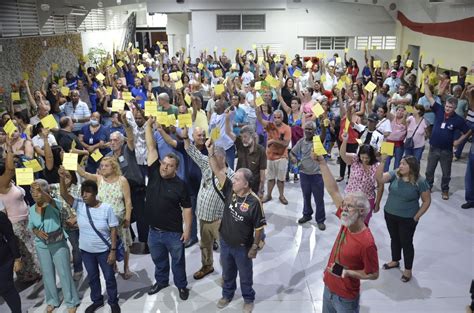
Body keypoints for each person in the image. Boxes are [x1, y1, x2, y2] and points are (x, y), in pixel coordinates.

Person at [313, 154, 379, 313]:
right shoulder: (347, 224)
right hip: (328, 288)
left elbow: (374, 274)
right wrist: (322, 162)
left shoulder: (366, 243)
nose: (344, 209)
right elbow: (333, 190)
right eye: (344, 205)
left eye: (349, 206)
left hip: (346, 298)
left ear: (361, 211)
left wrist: (347, 272)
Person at [207, 138, 266, 313]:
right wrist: (210, 152)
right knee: (227, 272)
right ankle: (227, 294)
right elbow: (216, 170)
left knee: (246, 276)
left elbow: (259, 228)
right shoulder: (230, 190)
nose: (233, 181)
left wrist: (255, 246)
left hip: (243, 247)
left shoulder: (254, 202)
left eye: (238, 179)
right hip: (225, 242)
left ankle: (248, 298)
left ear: (246, 184)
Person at [59, 171, 121, 313]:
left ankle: (113, 301)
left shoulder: (106, 209)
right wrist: (61, 179)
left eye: (88, 192)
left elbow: (113, 230)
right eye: (83, 192)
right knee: (93, 278)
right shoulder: (80, 205)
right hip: (86, 252)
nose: (84, 195)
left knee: (109, 277)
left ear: (95, 194)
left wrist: (113, 250)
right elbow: (64, 194)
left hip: (104, 251)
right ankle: (97, 301)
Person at [144, 117, 192, 300]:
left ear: (175, 168)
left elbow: (187, 209)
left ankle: (181, 285)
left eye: (169, 165)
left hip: (173, 233)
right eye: (164, 164)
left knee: (178, 262)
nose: (164, 167)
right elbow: (151, 147)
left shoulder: (181, 185)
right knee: (159, 261)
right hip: (153, 231)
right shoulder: (155, 172)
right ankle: (162, 281)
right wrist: (149, 125)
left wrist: (187, 230)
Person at [183, 126, 234, 280]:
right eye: (211, 158)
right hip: (203, 217)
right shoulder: (207, 164)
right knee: (204, 245)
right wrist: (186, 138)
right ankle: (207, 265)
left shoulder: (231, 176)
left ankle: (228, 274)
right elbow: (191, 151)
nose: (211, 161)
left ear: (223, 158)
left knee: (225, 249)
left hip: (219, 220)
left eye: (215, 158)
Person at [28, 179, 80, 313]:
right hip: (41, 245)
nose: (35, 194)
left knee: (64, 272)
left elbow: (50, 200)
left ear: (46, 192)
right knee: (47, 274)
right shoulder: (32, 209)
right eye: (33, 191)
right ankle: (52, 300)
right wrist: (36, 231)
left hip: (58, 242)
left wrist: (42, 192)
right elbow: (31, 226)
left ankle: (71, 301)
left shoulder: (54, 203)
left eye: (38, 191)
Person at [376, 155, 431, 282]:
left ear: (411, 167)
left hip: (408, 218)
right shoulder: (395, 174)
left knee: (406, 242)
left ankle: (408, 270)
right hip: (390, 214)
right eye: (400, 163)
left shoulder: (420, 181)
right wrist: (383, 162)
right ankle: (395, 260)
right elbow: (379, 178)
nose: (400, 166)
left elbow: (427, 201)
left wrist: (417, 216)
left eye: (403, 164)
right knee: (394, 238)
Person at [77, 157, 133, 279]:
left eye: (106, 166)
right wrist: (68, 159)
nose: (103, 168)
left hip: (120, 219)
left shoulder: (122, 180)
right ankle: (113, 265)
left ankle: (126, 267)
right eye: (101, 166)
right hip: (103, 220)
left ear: (114, 167)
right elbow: (83, 173)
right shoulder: (99, 179)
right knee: (108, 243)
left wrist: (128, 217)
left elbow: (128, 201)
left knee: (124, 244)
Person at [0, 145, 41, 283]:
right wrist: (9, 148)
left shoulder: (10, 182)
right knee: (26, 252)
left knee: (33, 249)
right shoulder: (1, 185)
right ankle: (30, 277)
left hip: (26, 219)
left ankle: (37, 273)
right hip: (15, 224)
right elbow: (10, 169)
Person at [423, 80, 469, 200]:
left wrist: (459, 141)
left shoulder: (458, 120)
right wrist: (426, 83)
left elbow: (468, 131)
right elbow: (428, 96)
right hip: (433, 148)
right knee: (429, 170)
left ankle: (445, 190)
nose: (448, 109)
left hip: (447, 151)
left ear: (455, 108)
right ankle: (428, 187)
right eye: (447, 106)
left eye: (451, 107)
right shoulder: (439, 110)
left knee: (446, 173)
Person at [290, 121, 326, 230]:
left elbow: (323, 135)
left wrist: (323, 125)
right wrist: (293, 158)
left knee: (319, 199)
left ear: (314, 131)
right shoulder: (301, 142)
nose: (308, 131)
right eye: (306, 129)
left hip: (317, 175)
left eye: (310, 129)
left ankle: (320, 220)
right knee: (306, 196)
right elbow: (292, 152)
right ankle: (307, 215)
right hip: (304, 174)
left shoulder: (317, 140)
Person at [225, 115, 267, 197]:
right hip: (239, 185)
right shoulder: (240, 144)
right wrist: (227, 118)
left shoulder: (260, 150)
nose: (243, 139)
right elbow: (228, 132)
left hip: (253, 187)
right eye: (241, 137)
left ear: (252, 136)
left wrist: (261, 190)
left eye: (245, 137)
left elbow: (262, 175)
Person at [257, 109, 291, 205]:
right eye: (275, 117)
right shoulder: (270, 125)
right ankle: (269, 195)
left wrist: (273, 141)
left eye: (278, 117)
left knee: (281, 179)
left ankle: (281, 195)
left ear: (282, 118)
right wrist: (257, 107)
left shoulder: (287, 128)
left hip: (282, 157)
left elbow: (285, 143)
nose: (276, 119)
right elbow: (259, 119)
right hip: (270, 156)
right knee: (270, 178)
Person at [0, 208, 22, 313]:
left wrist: (17, 258)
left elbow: (10, 237)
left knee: (6, 288)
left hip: (3, 261)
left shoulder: (0, 216)